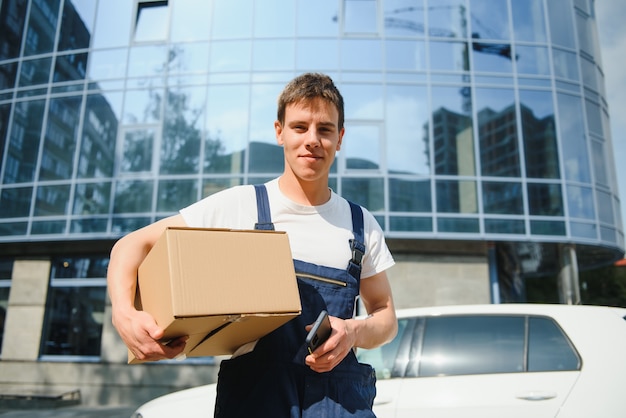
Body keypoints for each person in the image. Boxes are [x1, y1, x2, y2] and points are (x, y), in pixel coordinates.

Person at [107, 72, 397, 417]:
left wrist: (352, 330)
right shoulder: (241, 205)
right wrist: (124, 313)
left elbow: (386, 315)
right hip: (256, 401)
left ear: (340, 137)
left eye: (325, 129)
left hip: (340, 402)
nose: (312, 140)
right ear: (280, 132)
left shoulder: (361, 223)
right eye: (300, 127)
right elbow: (130, 246)